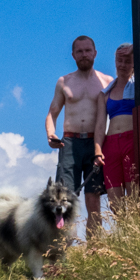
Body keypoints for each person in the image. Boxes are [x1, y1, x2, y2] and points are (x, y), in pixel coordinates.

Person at [46, 35, 112, 238]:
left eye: (88, 50)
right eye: (80, 51)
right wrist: (50, 134)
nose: (84, 54)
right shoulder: (64, 81)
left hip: (96, 144)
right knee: (64, 198)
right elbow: (52, 112)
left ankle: (94, 249)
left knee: (93, 199)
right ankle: (63, 248)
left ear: (95, 53)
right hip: (70, 143)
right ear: (73, 55)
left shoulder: (107, 82)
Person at [94, 44, 140, 214]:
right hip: (110, 146)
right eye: (119, 60)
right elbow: (100, 124)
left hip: (132, 141)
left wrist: (137, 47)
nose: (122, 65)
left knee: (134, 196)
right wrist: (98, 149)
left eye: (127, 61)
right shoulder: (105, 93)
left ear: (135, 63)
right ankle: (124, 236)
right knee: (115, 204)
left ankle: (136, 235)